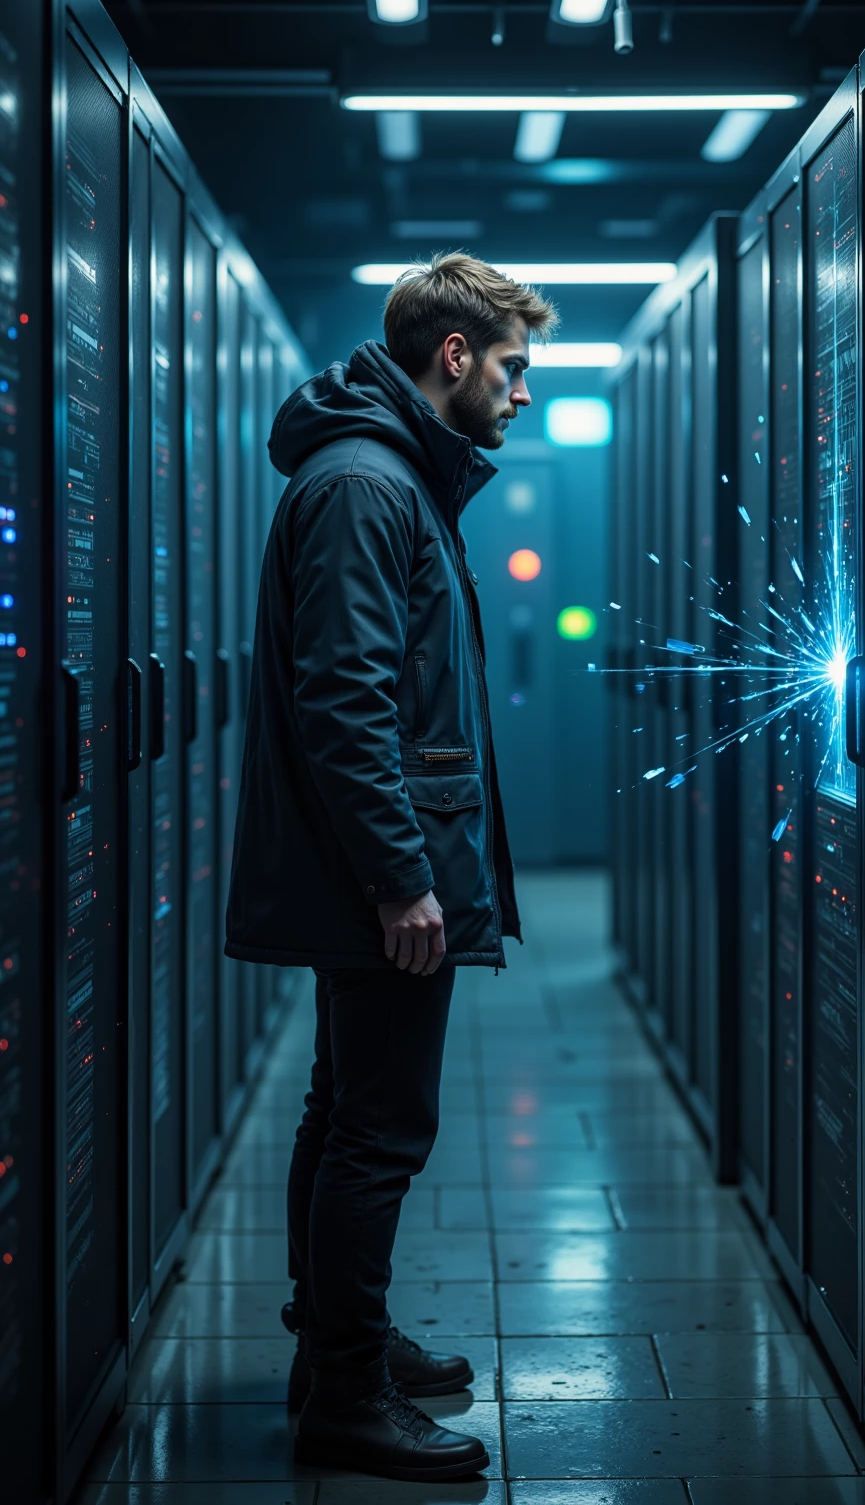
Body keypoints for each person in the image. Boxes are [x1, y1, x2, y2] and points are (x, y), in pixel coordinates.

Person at [224, 253, 558, 1480]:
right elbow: (346, 701)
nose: (522, 396)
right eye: (513, 370)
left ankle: (336, 1346)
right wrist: (400, 876)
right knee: (380, 1129)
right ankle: (347, 1397)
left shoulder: (385, 475)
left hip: (370, 864)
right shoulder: (371, 484)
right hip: (381, 874)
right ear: (454, 358)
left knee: (342, 1109)